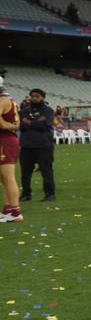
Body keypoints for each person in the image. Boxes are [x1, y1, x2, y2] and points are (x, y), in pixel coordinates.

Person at [18, 88, 56, 202]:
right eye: (32, 96)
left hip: (43, 145)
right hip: (26, 145)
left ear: (43, 98)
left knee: (46, 171)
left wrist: (28, 122)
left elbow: (44, 125)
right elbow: (21, 126)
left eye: (37, 96)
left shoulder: (48, 110)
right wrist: (36, 122)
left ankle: (49, 194)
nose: (34, 98)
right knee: (25, 172)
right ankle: (26, 194)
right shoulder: (24, 111)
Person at [0, 76, 21, 223]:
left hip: (4, 141)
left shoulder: (2, 101)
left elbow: (7, 125)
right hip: (7, 139)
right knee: (4, 178)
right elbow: (16, 123)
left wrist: (6, 125)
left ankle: (15, 212)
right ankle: (8, 209)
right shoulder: (11, 100)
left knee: (8, 177)